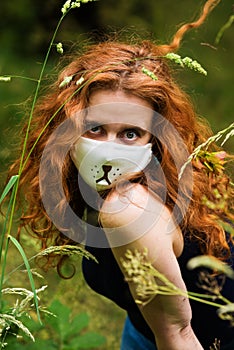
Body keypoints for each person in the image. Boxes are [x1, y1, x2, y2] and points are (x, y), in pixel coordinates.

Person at [6, 0, 234, 349]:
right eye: (96, 128)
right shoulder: (158, 177)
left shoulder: (128, 209)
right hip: (144, 328)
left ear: (153, 141)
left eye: (130, 133)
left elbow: (178, 333)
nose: (110, 149)